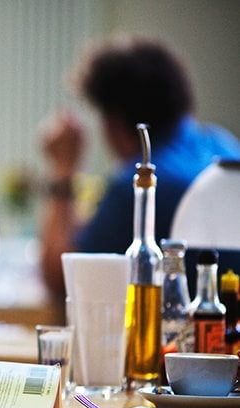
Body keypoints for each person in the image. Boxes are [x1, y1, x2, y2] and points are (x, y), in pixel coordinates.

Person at [39, 35, 240, 314]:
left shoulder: (140, 185)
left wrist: (64, 168)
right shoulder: (224, 147)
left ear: (116, 122)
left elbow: (60, 278)